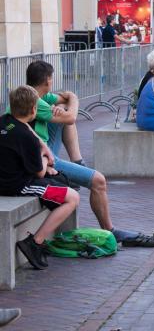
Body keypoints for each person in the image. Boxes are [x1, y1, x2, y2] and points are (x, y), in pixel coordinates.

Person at [25, 61, 154, 246]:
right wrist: (74, 102)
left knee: (62, 113)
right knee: (98, 181)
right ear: (48, 80)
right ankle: (109, 230)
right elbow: (71, 115)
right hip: (41, 159)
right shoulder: (36, 102)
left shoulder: (34, 96)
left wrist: (67, 104)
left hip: (41, 150)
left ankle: (78, 162)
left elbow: (65, 99)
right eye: (52, 79)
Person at [0, 86, 80, 270]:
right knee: (72, 197)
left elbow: (26, 128)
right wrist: (45, 159)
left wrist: (42, 147)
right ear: (34, 110)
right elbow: (39, 173)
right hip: (18, 186)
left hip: (6, 178)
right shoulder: (24, 138)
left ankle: (37, 241)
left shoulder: (5, 120)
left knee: (59, 182)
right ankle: (35, 242)